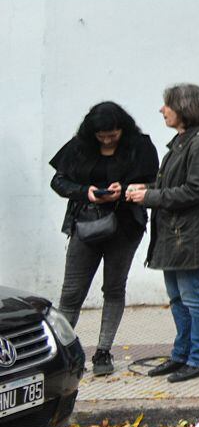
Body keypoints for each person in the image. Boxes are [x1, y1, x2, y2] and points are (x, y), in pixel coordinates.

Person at [125, 84, 199, 384]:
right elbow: (176, 186)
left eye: (167, 105)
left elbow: (197, 190)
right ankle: (182, 354)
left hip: (189, 236)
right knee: (178, 299)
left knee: (195, 298)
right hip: (175, 235)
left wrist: (150, 198)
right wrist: (148, 190)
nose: (162, 110)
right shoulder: (183, 142)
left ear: (184, 108)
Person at [48, 102, 159, 376]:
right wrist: (86, 191)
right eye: (102, 136)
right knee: (71, 292)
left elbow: (157, 182)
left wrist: (126, 189)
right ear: (92, 133)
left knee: (113, 288)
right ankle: (62, 351)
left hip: (124, 226)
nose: (108, 140)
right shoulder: (79, 145)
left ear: (122, 128)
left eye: (113, 134)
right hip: (85, 223)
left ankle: (103, 351)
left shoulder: (140, 146)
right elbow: (58, 181)